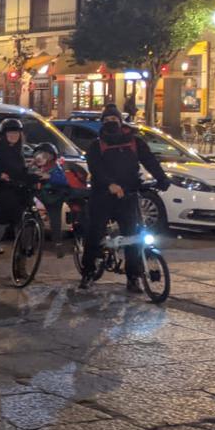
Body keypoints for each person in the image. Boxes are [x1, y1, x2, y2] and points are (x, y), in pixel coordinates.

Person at [81, 104, 170, 292]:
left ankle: (133, 277)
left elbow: (150, 161)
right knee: (95, 233)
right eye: (106, 121)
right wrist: (109, 185)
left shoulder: (135, 142)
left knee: (133, 237)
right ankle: (88, 273)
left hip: (128, 195)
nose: (110, 123)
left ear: (121, 122)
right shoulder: (96, 145)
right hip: (103, 196)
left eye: (114, 120)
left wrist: (161, 178)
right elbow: (95, 168)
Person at [29, 142, 88, 257]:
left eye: (45, 155)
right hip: (43, 196)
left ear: (51, 157)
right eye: (39, 155)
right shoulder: (35, 167)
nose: (41, 158)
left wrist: (49, 177)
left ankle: (58, 243)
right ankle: (33, 242)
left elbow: (63, 180)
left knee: (55, 219)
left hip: (55, 197)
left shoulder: (55, 167)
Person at [0, 118, 33, 251]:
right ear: (4, 135)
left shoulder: (18, 151)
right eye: (10, 133)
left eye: (16, 133)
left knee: (23, 233)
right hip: (6, 197)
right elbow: (10, 172)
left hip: (18, 196)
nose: (13, 136)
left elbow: (20, 171)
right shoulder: (2, 151)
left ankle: (21, 267)